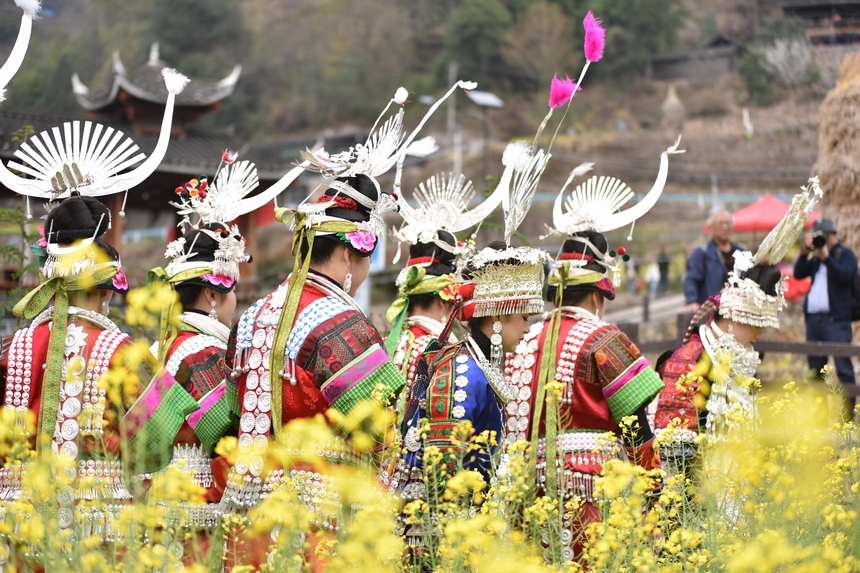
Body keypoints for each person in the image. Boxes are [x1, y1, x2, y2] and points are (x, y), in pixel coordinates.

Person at [0, 197, 151, 547]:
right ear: (104, 291)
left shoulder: (8, 350)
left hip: (16, 529)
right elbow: (158, 441)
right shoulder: (126, 353)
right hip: (98, 530)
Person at [794, 217, 857, 387]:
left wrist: (827, 258)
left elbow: (844, 276)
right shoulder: (816, 259)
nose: (821, 240)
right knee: (815, 369)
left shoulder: (845, 254)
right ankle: (818, 413)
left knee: (843, 367)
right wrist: (806, 251)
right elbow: (798, 274)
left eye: (824, 236)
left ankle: (848, 414)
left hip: (836, 321)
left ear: (832, 234)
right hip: (814, 321)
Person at [684, 208, 745, 311]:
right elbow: (691, 279)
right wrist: (692, 301)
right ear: (711, 227)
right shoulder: (702, 252)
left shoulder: (742, 252)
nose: (725, 227)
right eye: (720, 224)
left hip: (739, 310)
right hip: (712, 312)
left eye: (727, 223)